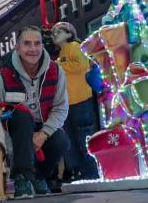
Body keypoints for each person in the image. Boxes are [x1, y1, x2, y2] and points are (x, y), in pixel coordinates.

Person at [0, 26, 70, 198]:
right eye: (27, 44)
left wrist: (43, 134)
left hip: (43, 127)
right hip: (16, 130)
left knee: (61, 141)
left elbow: (61, 107)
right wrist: (11, 147)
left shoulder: (56, 72)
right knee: (21, 116)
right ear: (18, 47)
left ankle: (38, 176)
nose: (33, 49)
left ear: (43, 46)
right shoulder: (2, 77)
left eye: (37, 43)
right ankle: (21, 177)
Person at [51, 22, 99, 181]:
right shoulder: (62, 54)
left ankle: (92, 171)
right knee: (71, 140)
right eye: (54, 32)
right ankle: (80, 172)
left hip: (81, 100)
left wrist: (59, 65)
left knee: (85, 136)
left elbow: (81, 65)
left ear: (69, 33)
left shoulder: (74, 46)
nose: (54, 34)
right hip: (68, 104)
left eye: (59, 31)